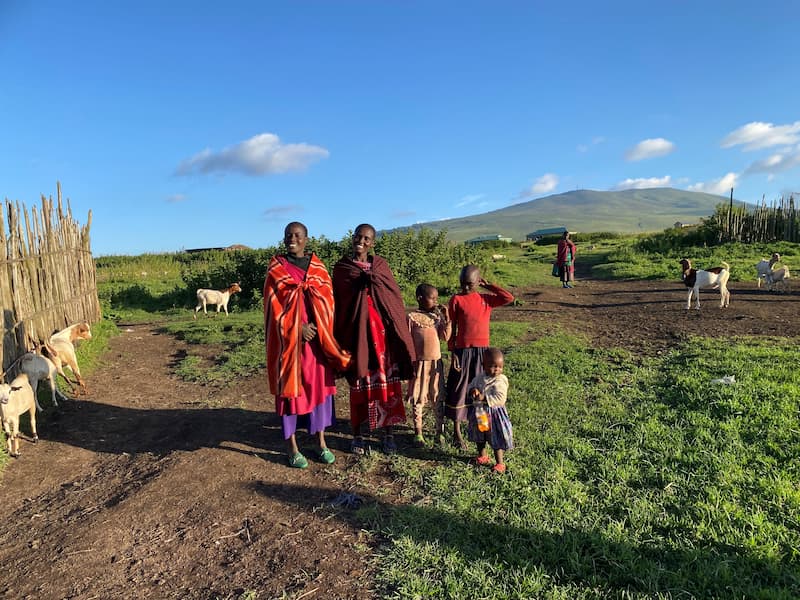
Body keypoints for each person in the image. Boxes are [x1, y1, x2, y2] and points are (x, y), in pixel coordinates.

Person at [264, 222, 351, 469]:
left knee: (318, 389)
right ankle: (292, 446)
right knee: (291, 391)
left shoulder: (319, 269)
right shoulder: (276, 271)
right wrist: (296, 328)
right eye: (288, 235)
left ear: (306, 239)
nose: (292, 238)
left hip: (317, 342)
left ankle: (321, 442)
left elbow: (328, 302)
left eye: (297, 235)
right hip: (289, 345)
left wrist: (318, 326)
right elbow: (273, 310)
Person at [332, 224, 416, 455]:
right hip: (356, 337)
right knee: (358, 383)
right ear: (352, 238)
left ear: (372, 243)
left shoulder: (380, 266)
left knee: (387, 385)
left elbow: (393, 300)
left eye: (366, 238)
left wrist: (373, 281)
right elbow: (338, 304)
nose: (361, 241)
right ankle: (358, 435)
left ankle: (388, 435)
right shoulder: (342, 269)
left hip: (383, 339)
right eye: (358, 236)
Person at [445, 265, 514, 450]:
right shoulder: (456, 299)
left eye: (469, 284)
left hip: (482, 353)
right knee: (460, 389)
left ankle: (483, 428)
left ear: (478, 282)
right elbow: (451, 327)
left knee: (481, 390)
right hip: (463, 352)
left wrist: (489, 285)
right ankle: (457, 431)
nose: (465, 288)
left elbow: (508, 297)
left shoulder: (486, 299)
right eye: (462, 284)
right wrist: (452, 352)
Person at [406, 283, 451, 447]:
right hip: (419, 365)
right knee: (418, 397)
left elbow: (445, 337)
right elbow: (407, 341)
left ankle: (440, 430)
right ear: (420, 298)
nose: (435, 301)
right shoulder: (411, 318)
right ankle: (418, 431)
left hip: (435, 365)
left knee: (437, 396)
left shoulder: (436, 318)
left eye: (436, 298)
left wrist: (447, 319)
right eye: (432, 298)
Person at [467, 347, 513, 474]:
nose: (497, 369)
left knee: (495, 437)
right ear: (484, 365)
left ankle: (500, 463)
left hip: (494, 415)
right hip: (481, 414)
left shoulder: (500, 380)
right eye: (493, 366)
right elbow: (471, 385)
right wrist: (472, 391)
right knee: (480, 435)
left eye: (499, 366)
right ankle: (483, 456)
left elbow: (501, 398)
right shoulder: (480, 378)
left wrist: (484, 398)